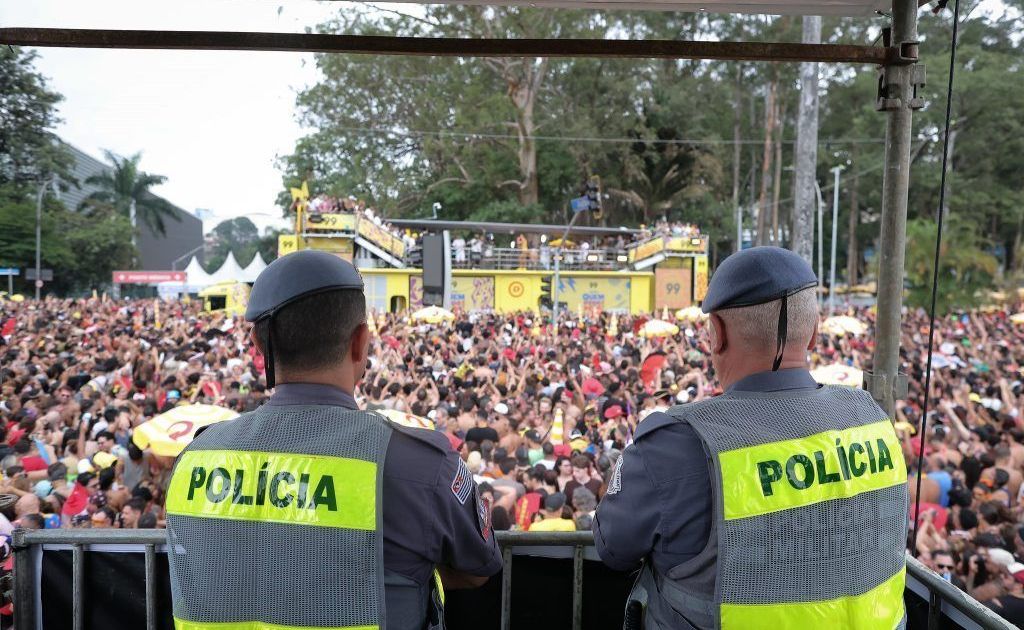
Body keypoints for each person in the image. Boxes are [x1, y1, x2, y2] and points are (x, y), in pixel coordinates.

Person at [165, 250, 501, 630]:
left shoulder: (195, 457)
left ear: (260, 346)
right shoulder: (421, 464)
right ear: (360, 343)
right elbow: (478, 569)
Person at [593, 247, 909, 629]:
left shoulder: (675, 445)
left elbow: (613, 548)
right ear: (812, 333)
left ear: (717, 334)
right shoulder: (871, 418)